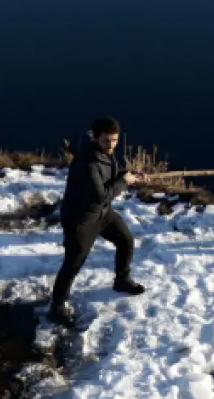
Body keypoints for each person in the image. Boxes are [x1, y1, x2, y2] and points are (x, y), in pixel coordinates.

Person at [49, 117, 146, 325]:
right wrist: (124, 182)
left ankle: (122, 280)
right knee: (74, 263)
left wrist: (128, 175)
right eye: (106, 141)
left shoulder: (101, 152)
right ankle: (57, 305)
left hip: (101, 213)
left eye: (115, 141)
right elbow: (102, 194)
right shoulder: (87, 162)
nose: (111, 145)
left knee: (125, 240)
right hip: (80, 220)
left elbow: (109, 178)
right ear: (95, 137)